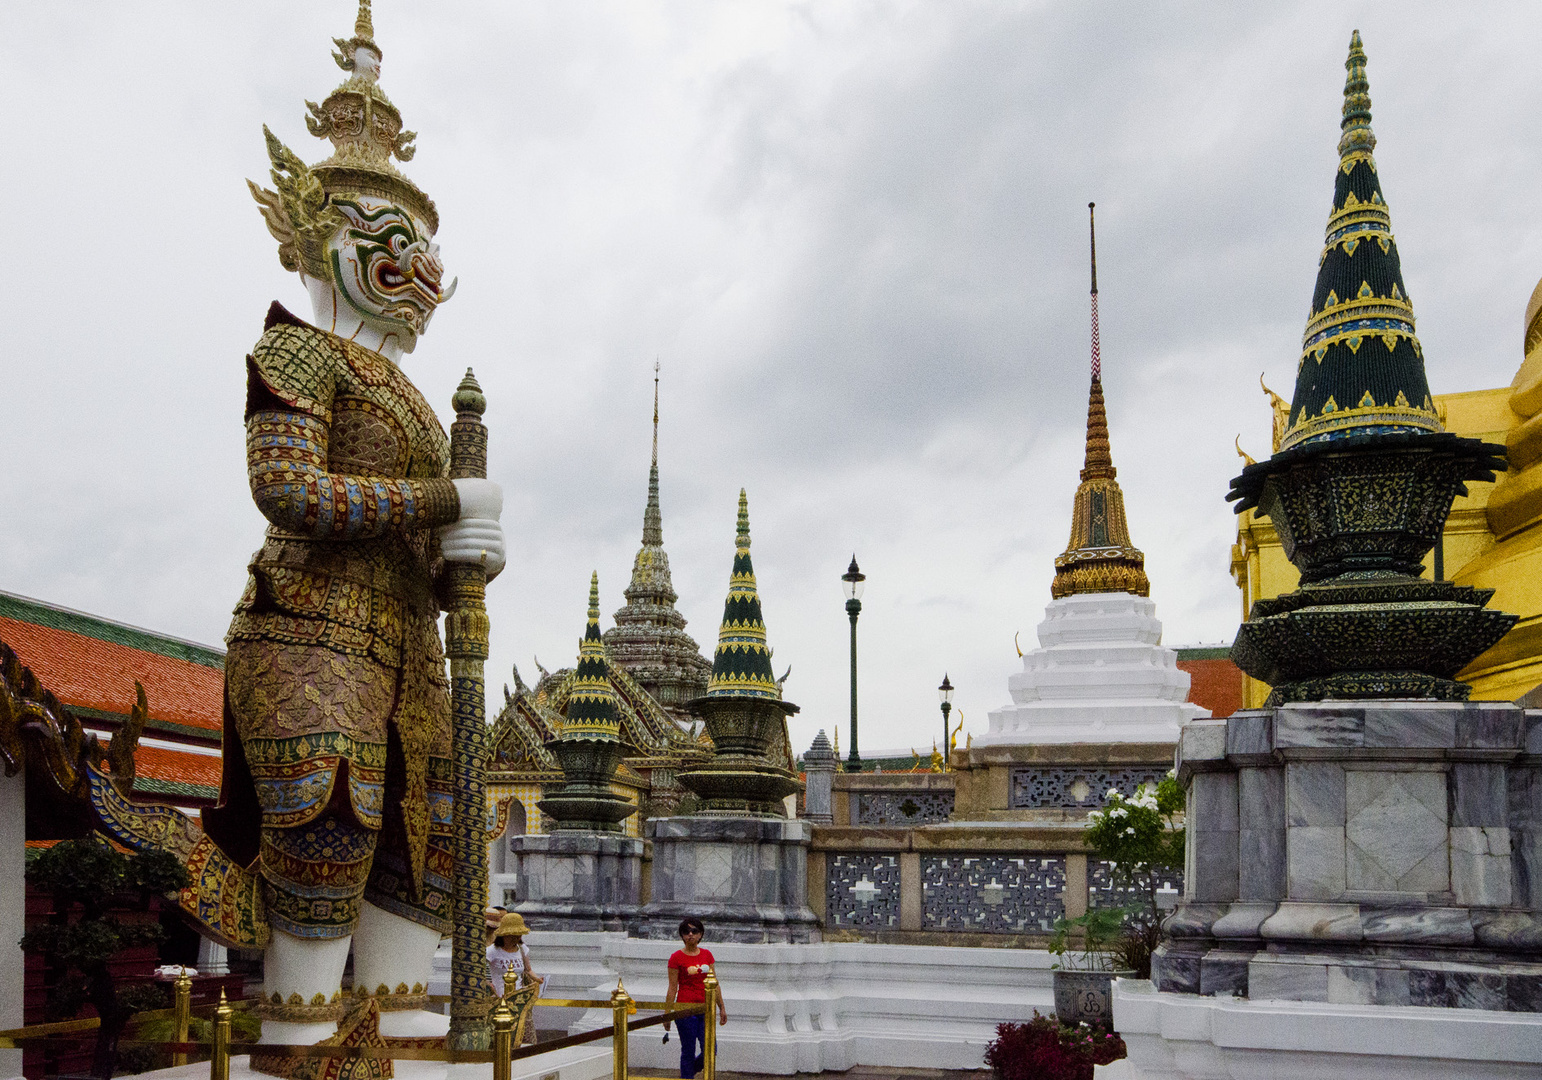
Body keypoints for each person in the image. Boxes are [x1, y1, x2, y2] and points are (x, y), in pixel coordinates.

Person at [663, 917, 728, 1079]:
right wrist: (667, 1013)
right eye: (686, 932)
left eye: (694, 931)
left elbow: (714, 982)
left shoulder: (707, 955)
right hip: (685, 1010)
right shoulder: (676, 958)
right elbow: (672, 987)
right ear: (682, 936)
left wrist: (722, 1007)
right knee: (688, 1050)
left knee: (710, 1050)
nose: (690, 935)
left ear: (700, 935)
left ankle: (688, 1073)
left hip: (706, 1008)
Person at [486, 912, 544, 998]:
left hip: (518, 998)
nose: (516, 939)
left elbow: (528, 970)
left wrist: (537, 979)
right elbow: (477, 971)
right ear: (504, 935)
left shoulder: (522, 949)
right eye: (512, 936)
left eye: (518, 936)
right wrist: (487, 984)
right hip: (499, 998)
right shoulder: (492, 950)